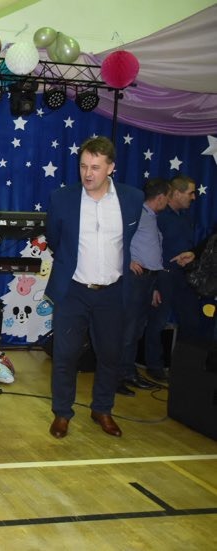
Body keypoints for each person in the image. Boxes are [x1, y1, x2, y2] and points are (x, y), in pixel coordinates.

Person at [45, 136, 144, 439]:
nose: (88, 174)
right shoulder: (62, 198)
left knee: (110, 355)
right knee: (65, 356)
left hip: (112, 292)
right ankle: (62, 413)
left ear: (111, 167)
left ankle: (102, 409)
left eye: (96, 167)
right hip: (73, 291)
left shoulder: (132, 199)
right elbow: (54, 239)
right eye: (83, 166)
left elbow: (127, 241)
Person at [144, 175, 204, 381]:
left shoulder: (186, 217)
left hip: (185, 278)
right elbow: (149, 249)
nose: (194, 197)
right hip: (163, 276)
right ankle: (154, 365)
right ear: (176, 193)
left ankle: (183, 367)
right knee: (157, 322)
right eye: (190, 193)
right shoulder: (158, 216)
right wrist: (153, 285)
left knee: (191, 322)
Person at [117, 178, 169, 396]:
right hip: (135, 280)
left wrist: (154, 286)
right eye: (168, 196)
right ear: (161, 197)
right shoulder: (137, 213)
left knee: (137, 330)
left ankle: (128, 372)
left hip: (148, 280)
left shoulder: (151, 217)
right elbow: (117, 237)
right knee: (128, 330)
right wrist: (127, 260)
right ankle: (116, 377)